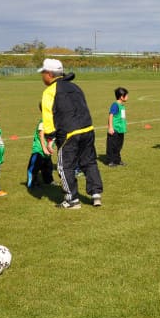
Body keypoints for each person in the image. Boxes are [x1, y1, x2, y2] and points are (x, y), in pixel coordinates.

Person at [39, 58, 104, 209]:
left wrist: (49, 138)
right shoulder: (75, 87)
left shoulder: (49, 91)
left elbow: (48, 116)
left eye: (43, 72)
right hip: (87, 129)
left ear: (49, 74)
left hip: (69, 133)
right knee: (89, 162)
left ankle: (72, 200)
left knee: (64, 166)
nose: (42, 76)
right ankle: (96, 194)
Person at [26, 103, 54, 188]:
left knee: (48, 167)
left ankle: (48, 181)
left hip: (47, 151)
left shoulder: (51, 121)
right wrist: (44, 148)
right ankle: (31, 183)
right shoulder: (43, 122)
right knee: (34, 167)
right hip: (39, 150)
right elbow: (41, 135)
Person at [106, 87, 128, 167]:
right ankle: (110, 161)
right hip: (114, 129)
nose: (127, 97)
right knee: (112, 146)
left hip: (120, 129)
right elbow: (111, 115)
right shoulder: (115, 105)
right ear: (122, 97)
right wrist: (110, 127)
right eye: (126, 95)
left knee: (118, 146)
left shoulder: (122, 105)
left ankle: (117, 160)